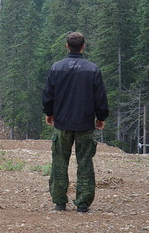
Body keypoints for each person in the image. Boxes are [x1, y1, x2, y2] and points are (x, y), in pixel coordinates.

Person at [42, 31, 109, 213]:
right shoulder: (92, 69)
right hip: (85, 124)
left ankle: (59, 202)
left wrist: (49, 113)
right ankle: (83, 203)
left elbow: (48, 96)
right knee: (85, 162)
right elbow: (100, 98)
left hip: (62, 123)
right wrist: (100, 118)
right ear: (83, 47)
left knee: (59, 162)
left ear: (67, 46)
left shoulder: (57, 67)